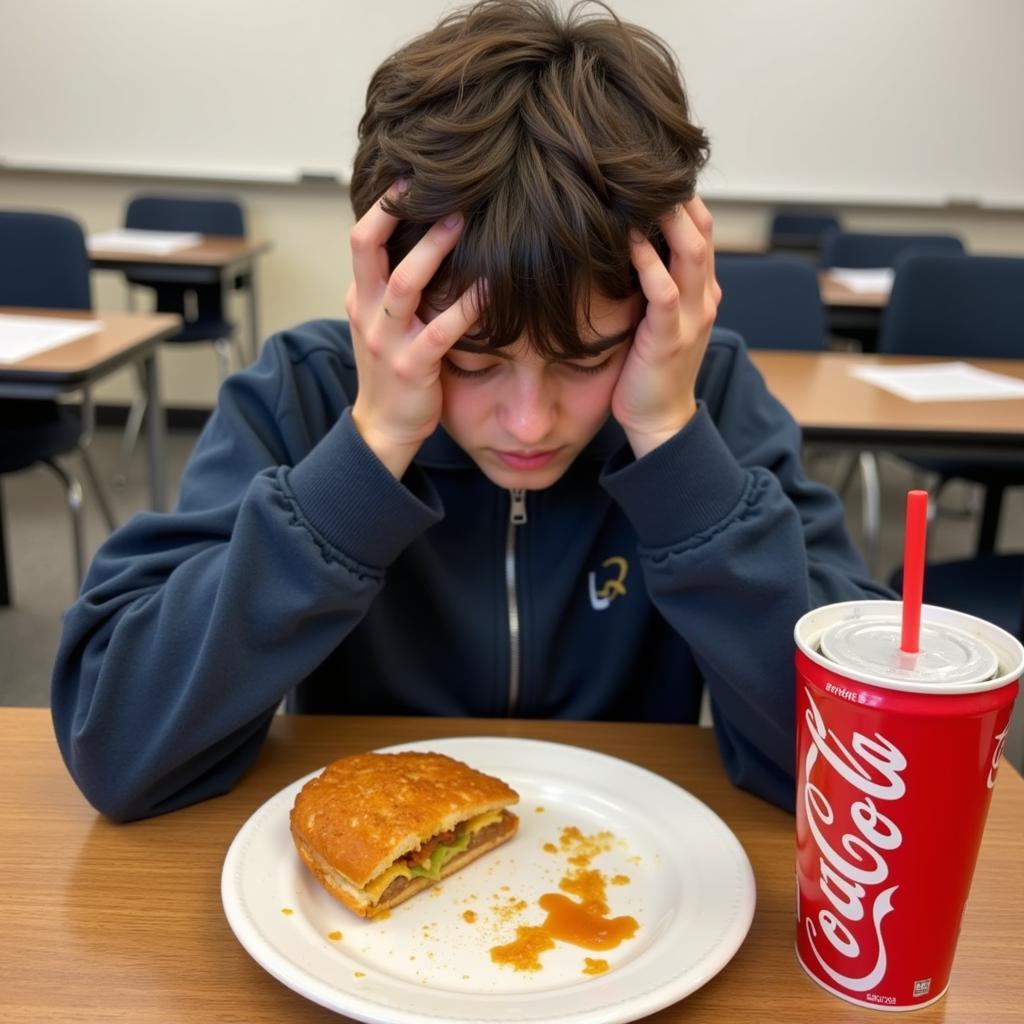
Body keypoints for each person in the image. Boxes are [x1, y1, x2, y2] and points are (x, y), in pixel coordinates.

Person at [51, 0, 889, 822]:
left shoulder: (707, 395)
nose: (529, 423)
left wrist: (675, 453)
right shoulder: (303, 391)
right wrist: (368, 451)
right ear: (391, 291)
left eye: (588, 358)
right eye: (471, 362)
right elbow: (113, 744)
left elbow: (859, 775)